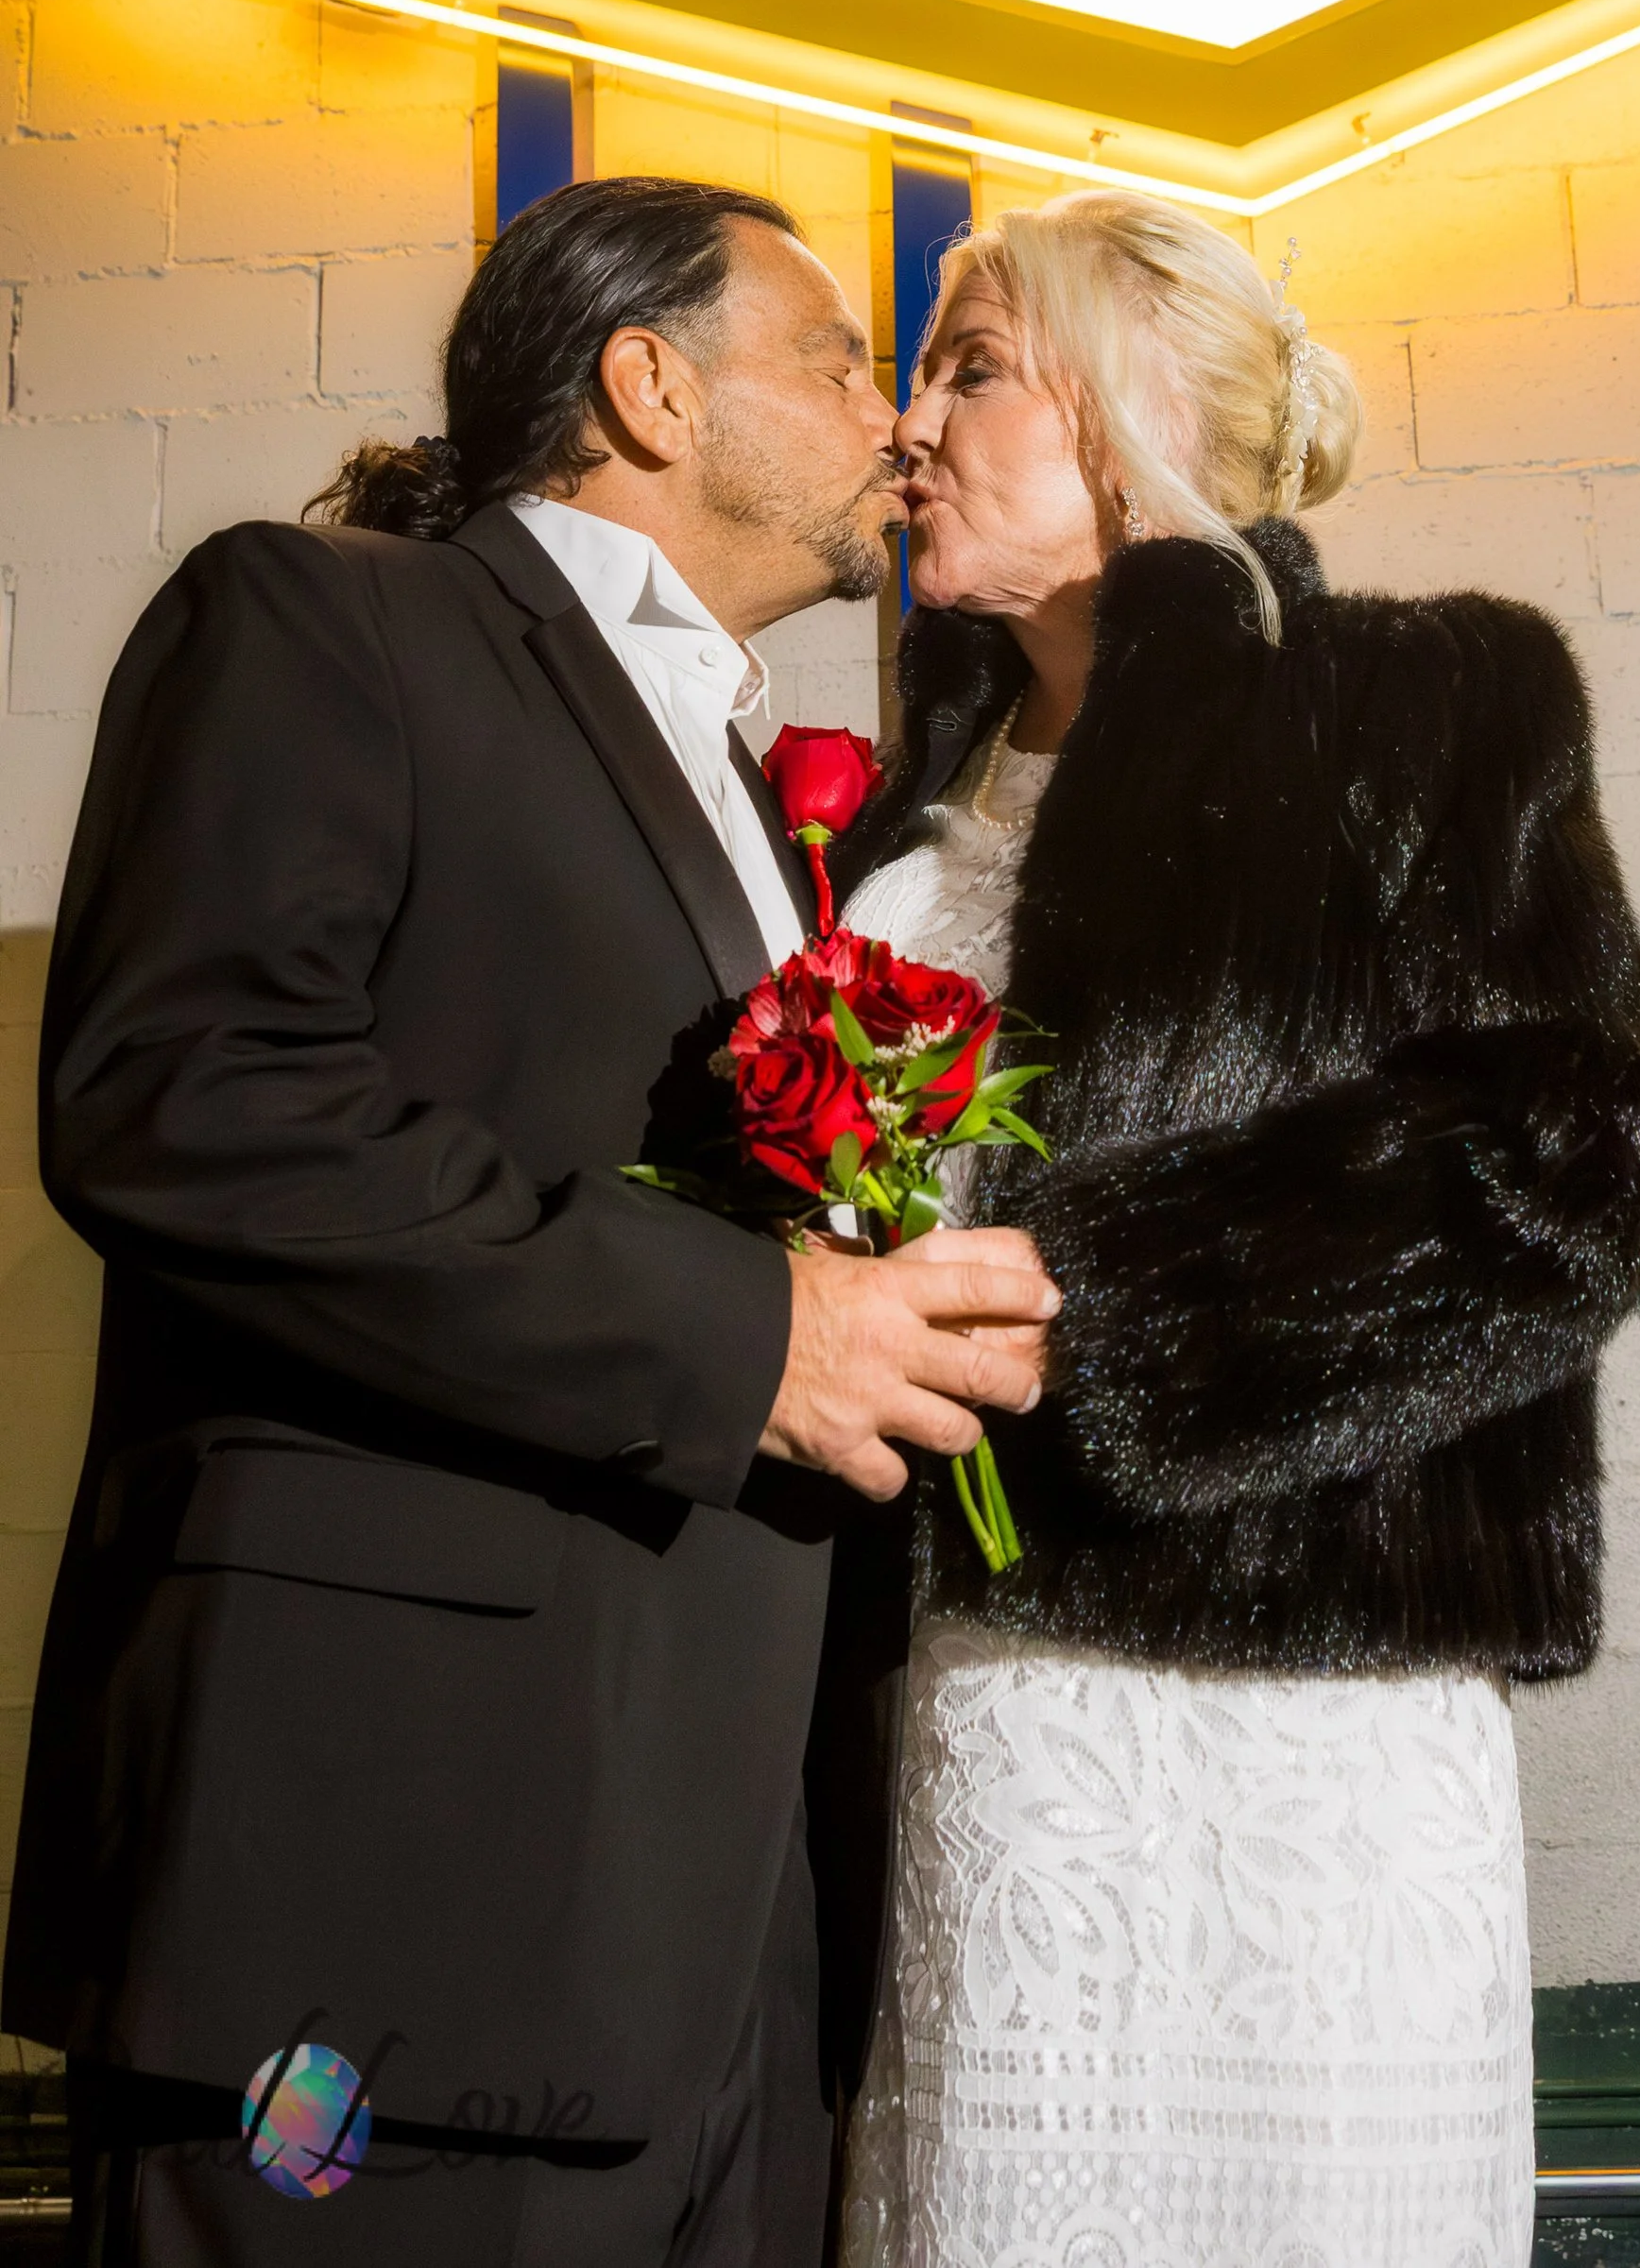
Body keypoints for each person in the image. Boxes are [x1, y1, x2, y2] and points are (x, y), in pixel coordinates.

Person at [5, 176, 1059, 2268]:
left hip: (727, 1928)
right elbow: (183, 1098)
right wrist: (755, 1336)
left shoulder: (770, 787)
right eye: (842, 358)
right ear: (650, 387)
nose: (891, 418)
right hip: (386, 1892)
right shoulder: (323, 620)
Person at [825, 191, 1640, 2268]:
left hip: (1304, 1720)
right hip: (984, 1710)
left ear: (1122, 425)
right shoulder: (882, 814)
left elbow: (1574, 1155)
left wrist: (1115, 1301)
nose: (907, 428)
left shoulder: (1423, 700)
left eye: (967, 367)